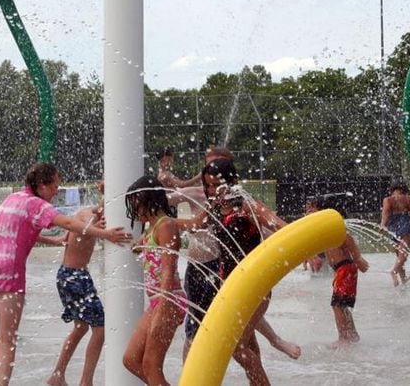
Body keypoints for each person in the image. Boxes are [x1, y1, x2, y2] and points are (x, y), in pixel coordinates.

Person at [0, 163, 130, 386]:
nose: (57, 191)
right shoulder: (37, 205)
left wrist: (52, 240)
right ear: (41, 186)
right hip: (10, 271)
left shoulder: (14, 198)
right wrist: (106, 234)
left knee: (3, 333)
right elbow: (70, 223)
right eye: (55, 186)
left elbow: (16, 229)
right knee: (9, 338)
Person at [178, 147, 301, 363]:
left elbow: (277, 225)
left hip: (255, 283)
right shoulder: (213, 207)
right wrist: (164, 223)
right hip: (230, 283)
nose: (213, 190)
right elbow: (194, 225)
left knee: (236, 346)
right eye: (208, 186)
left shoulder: (245, 204)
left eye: (217, 185)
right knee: (245, 347)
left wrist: (308, 248)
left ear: (231, 181)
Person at [47, 181, 121, 386]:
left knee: (80, 328)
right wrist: (100, 228)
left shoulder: (88, 214)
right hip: (75, 277)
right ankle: (86, 382)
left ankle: (57, 375)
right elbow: (87, 228)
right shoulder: (87, 217)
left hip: (69, 276)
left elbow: (66, 238)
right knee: (100, 328)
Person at [122, 175, 187, 386]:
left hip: (169, 300)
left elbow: (168, 271)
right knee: (131, 360)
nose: (133, 210)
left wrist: (161, 310)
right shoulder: (152, 228)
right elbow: (141, 247)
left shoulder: (165, 226)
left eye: (135, 203)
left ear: (146, 199)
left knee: (151, 366)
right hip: (157, 301)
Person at [307, 194, 369, 347]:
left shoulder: (337, 229)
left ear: (323, 211)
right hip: (341, 270)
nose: (307, 213)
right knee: (342, 304)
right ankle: (353, 334)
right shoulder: (324, 230)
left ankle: (343, 338)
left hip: (346, 268)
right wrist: (313, 257)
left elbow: (349, 241)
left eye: (311, 209)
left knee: (337, 305)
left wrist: (359, 260)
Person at [380, 181, 410, 286]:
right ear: (402, 189)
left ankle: (403, 278)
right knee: (403, 254)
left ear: (392, 190)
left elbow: (385, 213)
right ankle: (394, 272)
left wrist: (382, 225)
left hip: (392, 226)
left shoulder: (387, 199)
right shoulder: (407, 198)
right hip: (404, 223)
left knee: (399, 254)